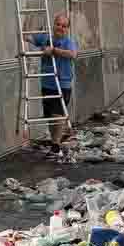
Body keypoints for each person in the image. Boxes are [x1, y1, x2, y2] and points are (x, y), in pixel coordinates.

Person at [28, 13, 78, 157]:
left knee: (58, 114)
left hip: (62, 82)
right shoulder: (45, 37)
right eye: (58, 24)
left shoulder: (68, 41)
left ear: (67, 29)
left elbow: (73, 54)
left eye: (64, 26)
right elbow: (28, 37)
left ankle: (56, 144)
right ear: (53, 24)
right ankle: (54, 142)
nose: (60, 28)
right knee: (50, 115)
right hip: (47, 81)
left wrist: (54, 51)